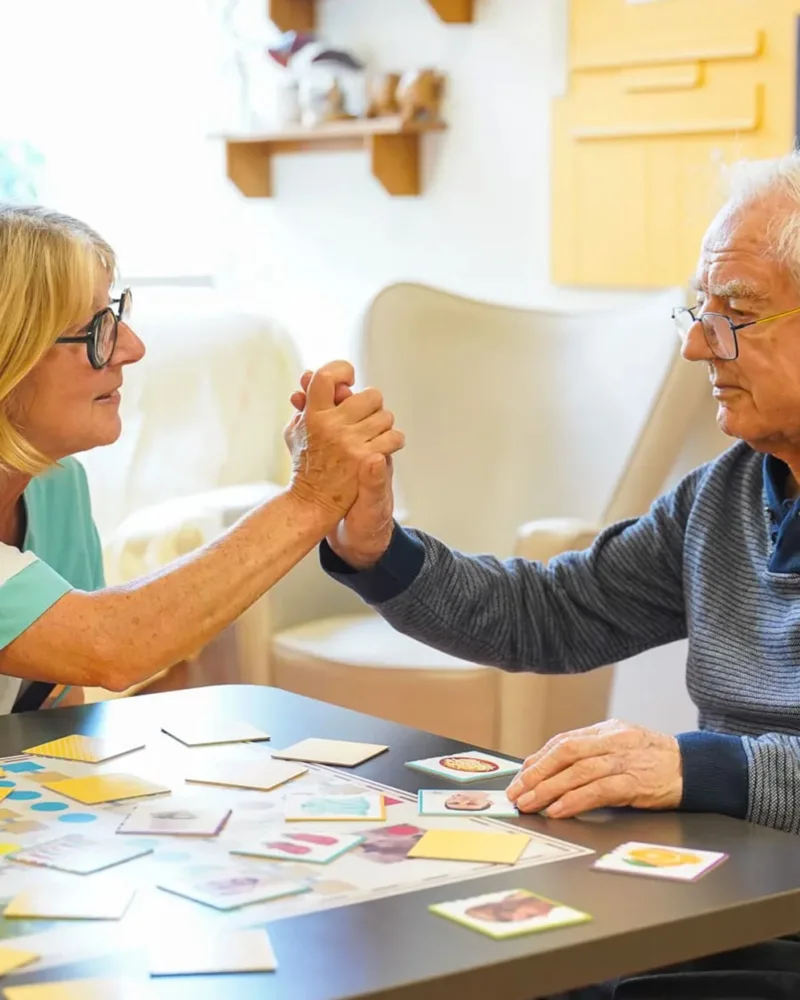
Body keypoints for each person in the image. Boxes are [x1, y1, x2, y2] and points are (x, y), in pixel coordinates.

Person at [292, 152, 800, 998]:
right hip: (735, 887)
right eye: (699, 310)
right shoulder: (726, 493)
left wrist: (702, 767)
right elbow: (554, 613)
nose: (695, 345)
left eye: (736, 313)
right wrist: (380, 549)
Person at [0, 204, 403, 714]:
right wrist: (313, 497)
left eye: (117, 316)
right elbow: (110, 647)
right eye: (96, 328)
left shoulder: (57, 486)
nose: (132, 348)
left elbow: (57, 711)